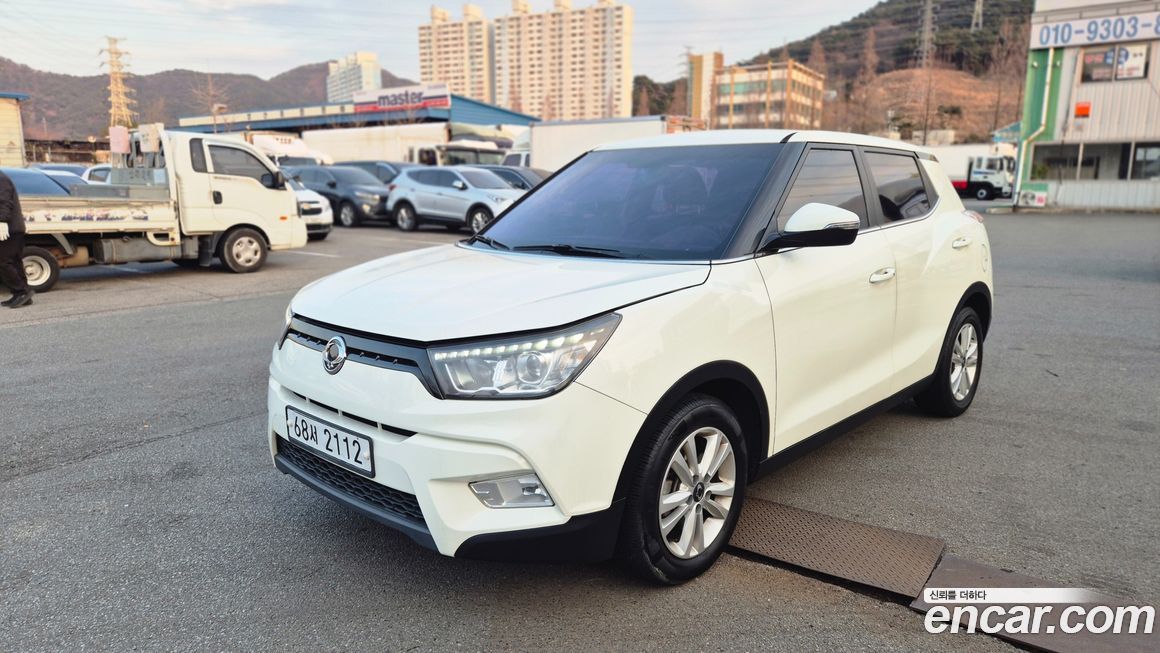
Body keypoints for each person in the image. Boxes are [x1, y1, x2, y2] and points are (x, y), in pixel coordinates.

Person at [0, 170, 33, 308]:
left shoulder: (1, 179)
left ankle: (21, 291)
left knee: (3, 262)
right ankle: (22, 294)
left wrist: (2, 221)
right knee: (14, 261)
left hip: (9, 229)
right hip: (12, 228)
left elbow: (4, 201)